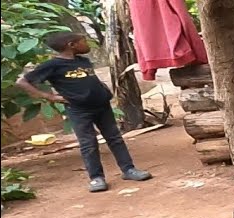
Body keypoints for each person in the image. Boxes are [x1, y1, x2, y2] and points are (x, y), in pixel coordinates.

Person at [17, 32, 153, 193]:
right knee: (88, 143)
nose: (87, 44)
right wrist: (49, 96)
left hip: (102, 106)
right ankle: (96, 178)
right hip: (79, 110)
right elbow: (22, 81)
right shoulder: (52, 65)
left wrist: (102, 90)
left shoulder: (83, 61)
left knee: (115, 138)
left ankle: (129, 170)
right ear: (71, 45)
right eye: (83, 41)